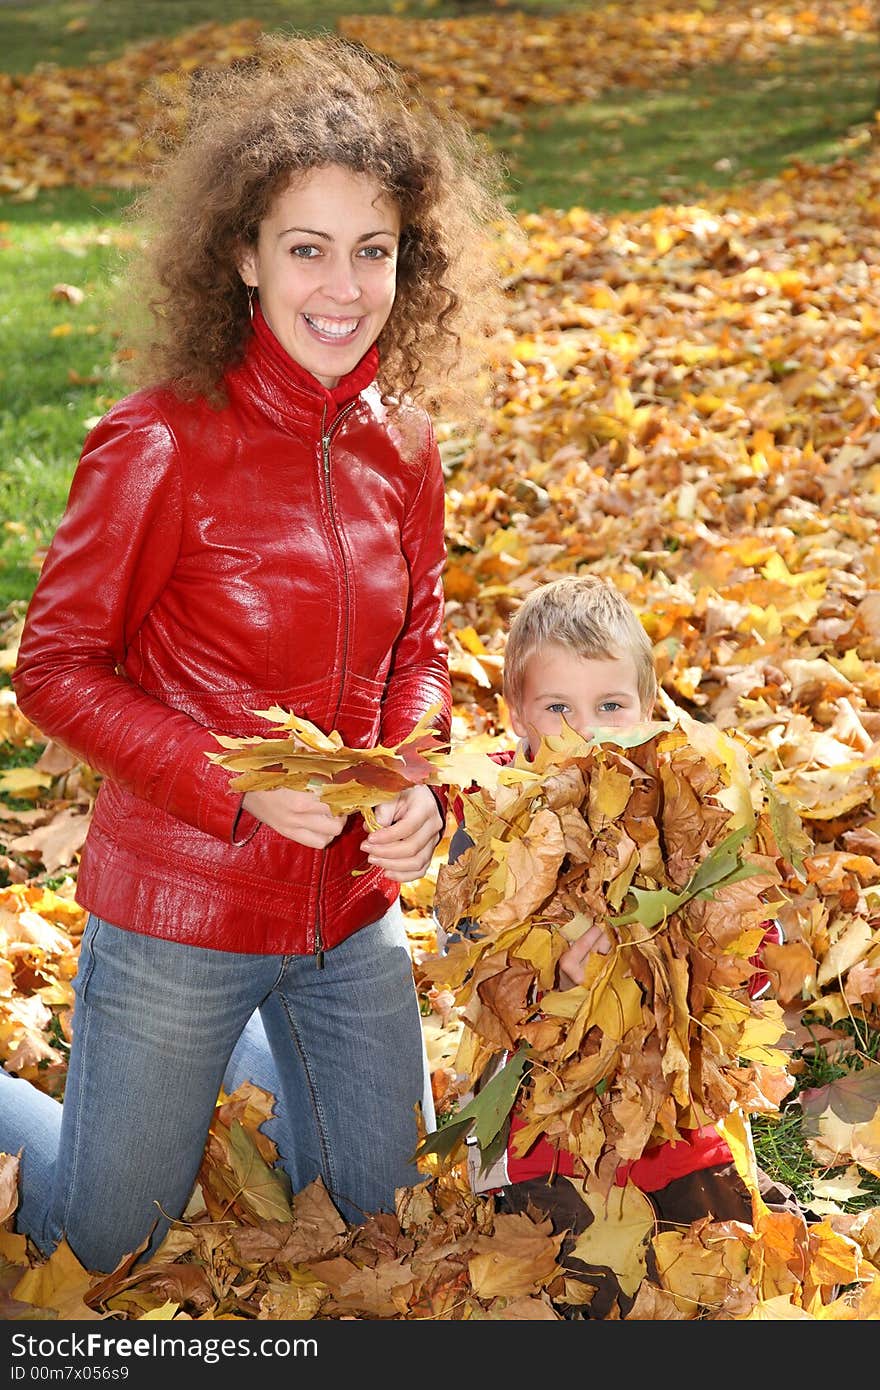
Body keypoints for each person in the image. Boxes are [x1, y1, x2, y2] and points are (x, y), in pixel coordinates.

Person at [1, 32, 511, 1275]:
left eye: (373, 250)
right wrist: (228, 778)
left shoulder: (406, 444)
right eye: (306, 248)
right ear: (242, 255)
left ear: (408, 260)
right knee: (102, 1241)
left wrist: (411, 778)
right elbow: (54, 666)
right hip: (183, 906)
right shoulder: (159, 443)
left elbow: (420, 645)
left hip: (347, 912)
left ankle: (238, 1053)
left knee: (394, 1224)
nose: (343, 286)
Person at [438, 574, 796, 1317]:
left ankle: (712, 1183)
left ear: (648, 709)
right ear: (518, 717)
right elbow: (470, 976)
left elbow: (747, 962)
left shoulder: (681, 804)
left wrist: (716, 937)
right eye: (558, 708)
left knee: (716, 1260)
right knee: (580, 1286)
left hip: (665, 1115)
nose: (588, 732)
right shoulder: (491, 821)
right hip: (546, 1122)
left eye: (610, 707)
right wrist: (553, 983)